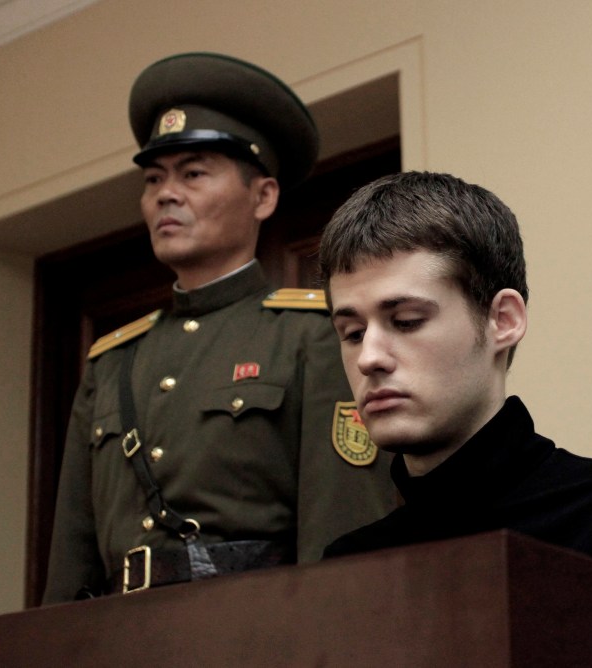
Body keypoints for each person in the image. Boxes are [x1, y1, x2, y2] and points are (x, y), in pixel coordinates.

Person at [43, 52, 395, 602]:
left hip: (252, 631)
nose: (166, 193)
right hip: (114, 637)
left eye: (194, 173)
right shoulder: (111, 360)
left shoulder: (313, 334)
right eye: (154, 178)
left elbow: (342, 521)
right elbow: (72, 552)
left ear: (263, 196)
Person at [318, 171, 592, 589]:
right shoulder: (346, 565)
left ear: (503, 321)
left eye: (406, 322)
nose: (369, 358)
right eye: (353, 334)